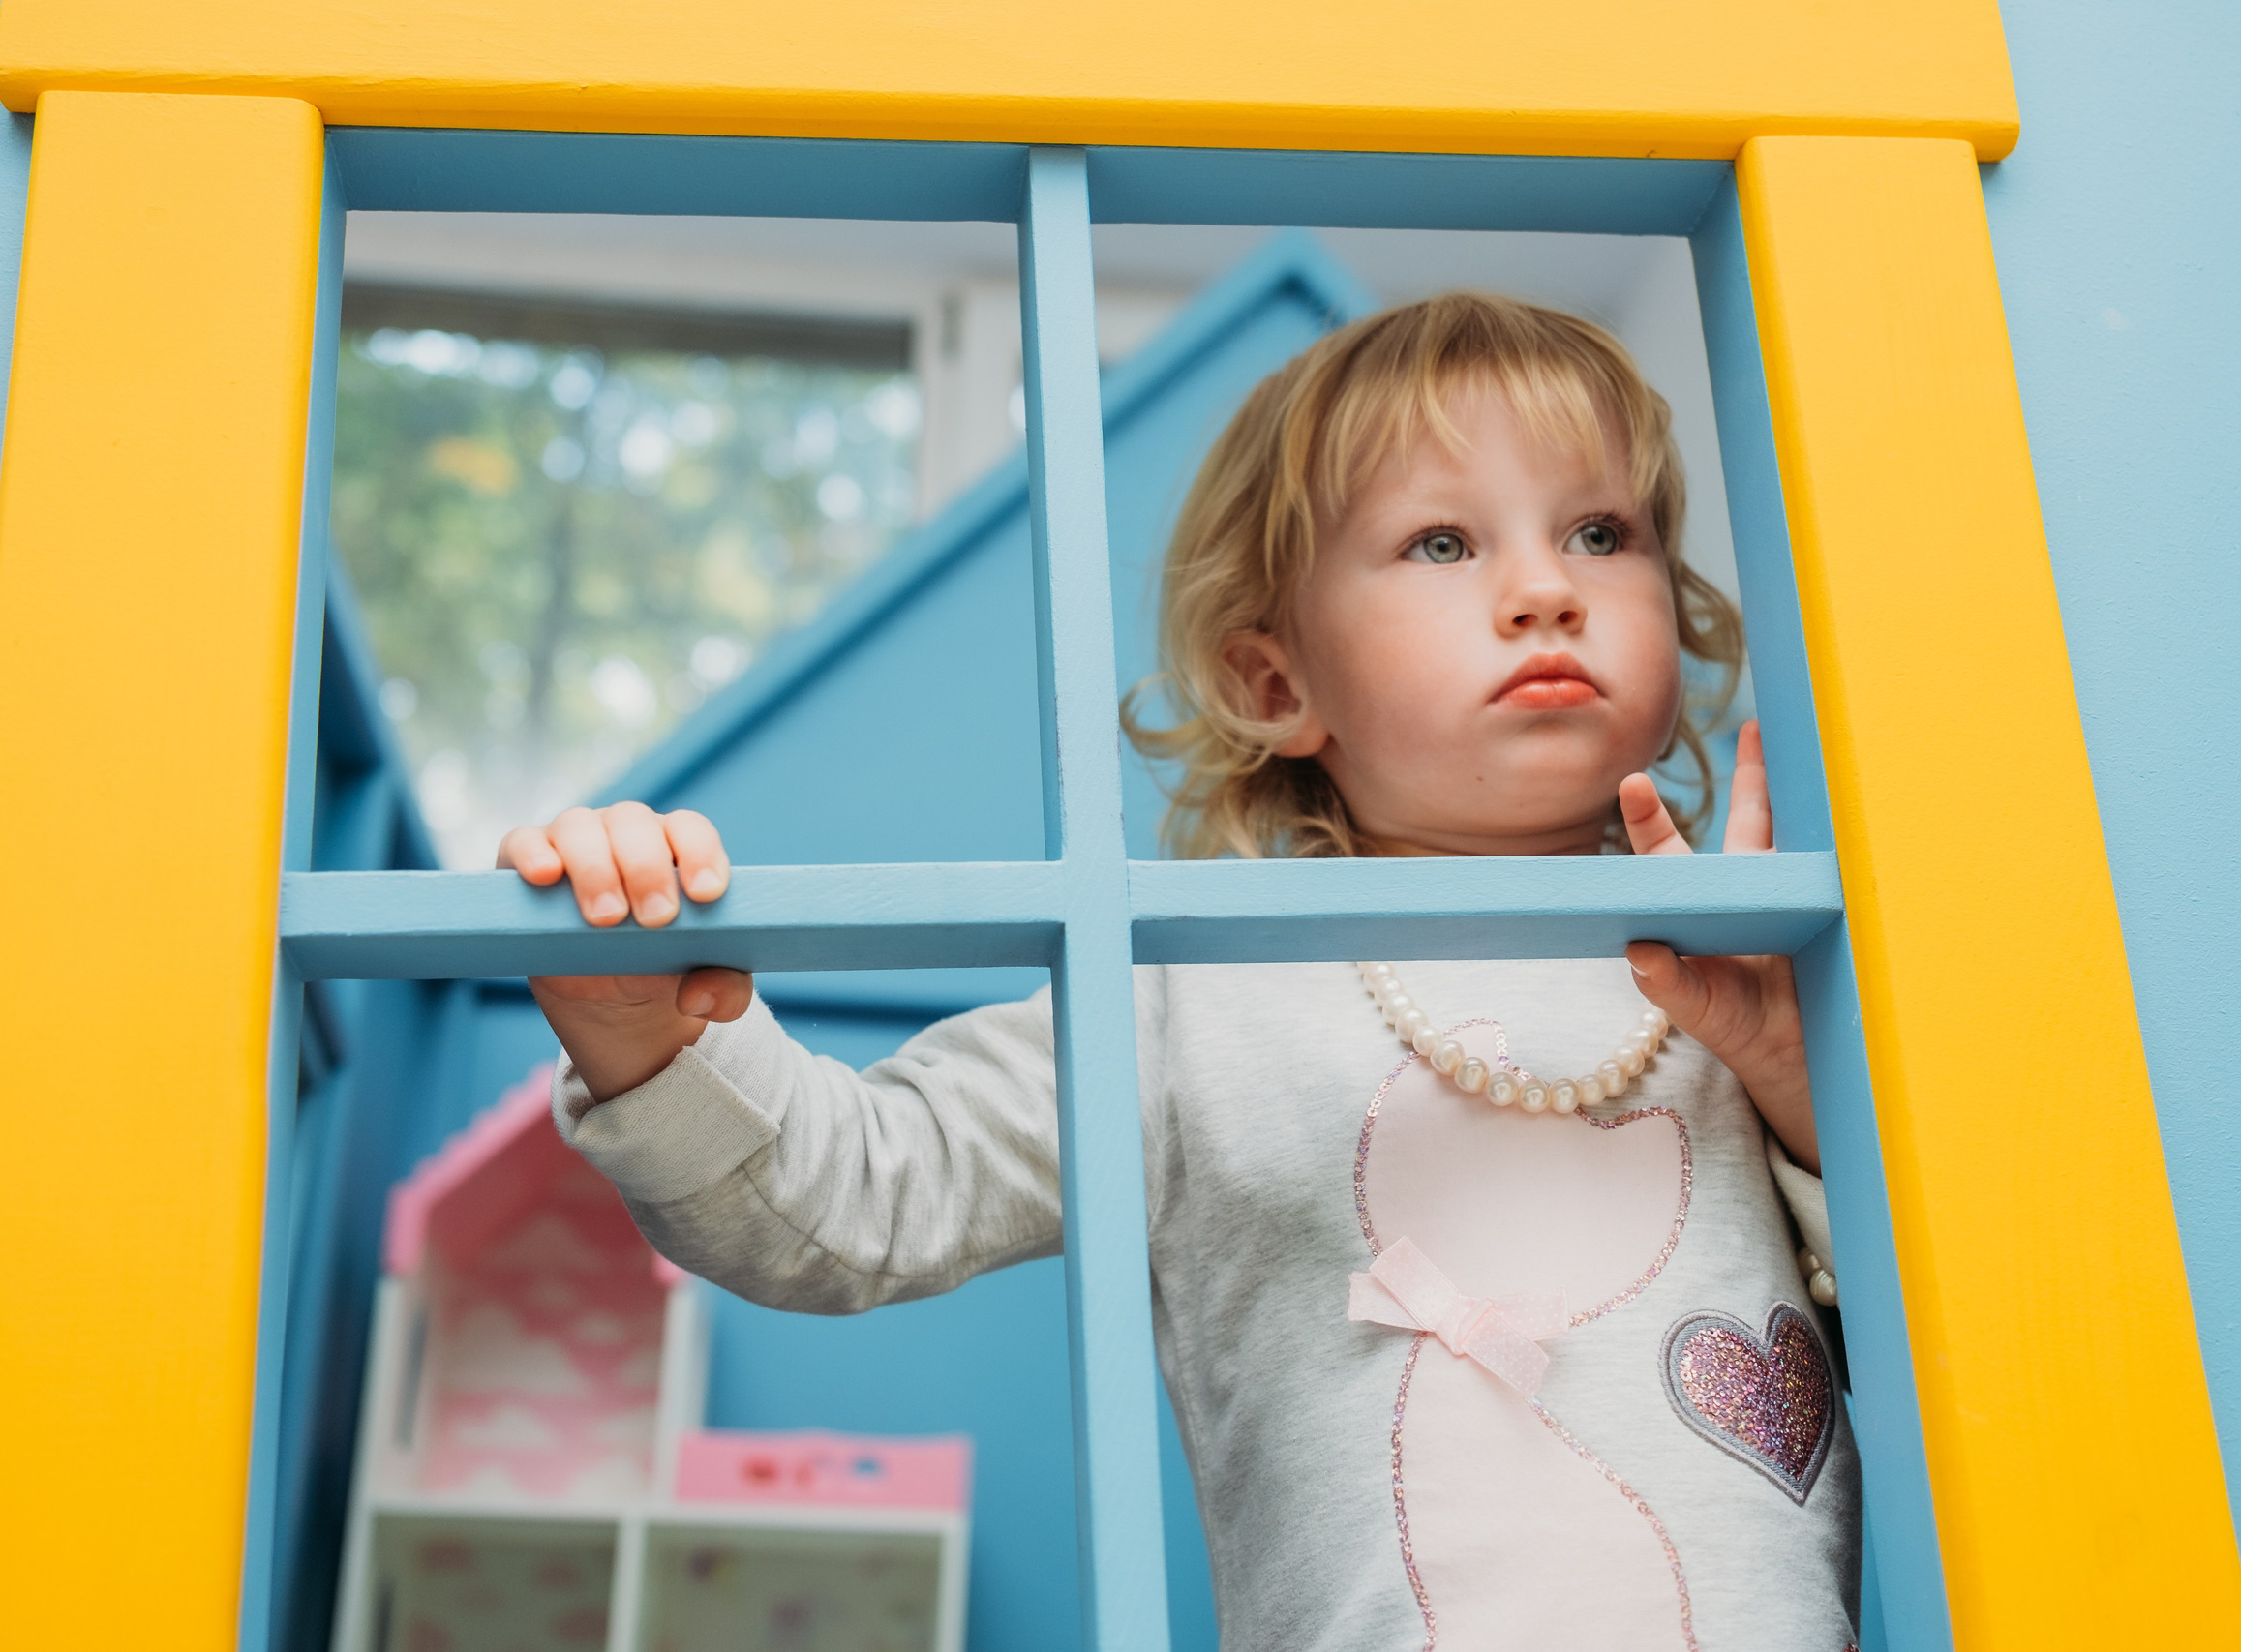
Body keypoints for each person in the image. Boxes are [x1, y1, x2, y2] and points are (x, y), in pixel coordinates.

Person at [500, 293, 1859, 1650]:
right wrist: (648, 1038)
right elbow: (867, 1197)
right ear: (1275, 687)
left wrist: (1803, 1084)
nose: (1547, 588)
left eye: (1601, 533)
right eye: (1443, 542)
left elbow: (1944, 1326)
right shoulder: (1195, 996)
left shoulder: (1756, 971)